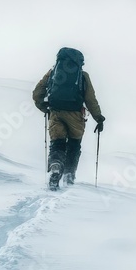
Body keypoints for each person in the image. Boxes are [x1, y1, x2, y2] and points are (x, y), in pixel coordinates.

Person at [32, 47, 105, 189]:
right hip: (76, 116)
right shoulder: (83, 76)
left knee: (57, 144)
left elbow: (37, 93)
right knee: (74, 146)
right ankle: (69, 176)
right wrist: (99, 118)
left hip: (56, 113)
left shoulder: (53, 72)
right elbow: (90, 99)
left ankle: (56, 167)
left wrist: (44, 107)